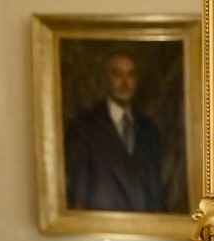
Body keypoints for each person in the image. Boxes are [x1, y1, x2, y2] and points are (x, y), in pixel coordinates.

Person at [64, 51, 172, 213]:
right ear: (105, 79)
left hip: (146, 228)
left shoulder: (149, 128)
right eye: (117, 75)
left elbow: (156, 191)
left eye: (130, 76)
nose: (125, 83)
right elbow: (78, 194)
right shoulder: (84, 128)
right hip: (102, 229)